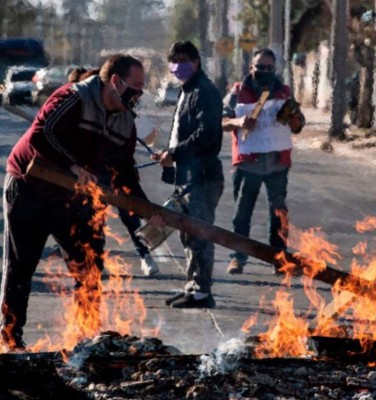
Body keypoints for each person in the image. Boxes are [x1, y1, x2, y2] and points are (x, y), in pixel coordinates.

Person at [1, 54, 159, 351]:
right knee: (21, 268)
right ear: (116, 81)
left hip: (73, 197)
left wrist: (149, 211)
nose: (139, 94)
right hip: (29, 187)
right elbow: (41, 135)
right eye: (135, 87)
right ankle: (10, 340)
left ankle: (86, 339)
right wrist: (73, 165)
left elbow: (124, 175)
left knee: (89, 267)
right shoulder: (75, 98)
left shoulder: (127, 122)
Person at [67, 66, 160, 276]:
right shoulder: (79, 109)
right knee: (91, 221)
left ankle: (145, 255)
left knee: (130, 218)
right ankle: (92, 261)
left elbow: (146, 135)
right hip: (92, 180)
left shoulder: (122, 112)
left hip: (118, 175)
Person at [153, 41, 224, 308]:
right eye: (174, 60)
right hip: (187, 176)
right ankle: (193, 287)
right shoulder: (186, 90)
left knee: (200, 233)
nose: (178, 65)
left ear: (196, 62)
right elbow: (182, 135)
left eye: (184, 59)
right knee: (188, 234)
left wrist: (176, 153)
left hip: (203, 177)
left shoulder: (204, 91)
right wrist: (168, 154)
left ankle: (202, 293)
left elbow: (206, 134)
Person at [222, 48, 305, 275]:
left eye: (269, 68)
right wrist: (239, 122)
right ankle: (237, 257)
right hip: (248, 163)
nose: (265, 71)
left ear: (275, 69)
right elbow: (221, 121)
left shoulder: (284, 92)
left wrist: (295, 119)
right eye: (260, 67)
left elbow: (298, 125)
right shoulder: (238, 92)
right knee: (242, 213)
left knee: (279, 213)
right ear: (251, 68)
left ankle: (279, 258)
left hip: (277, 163)